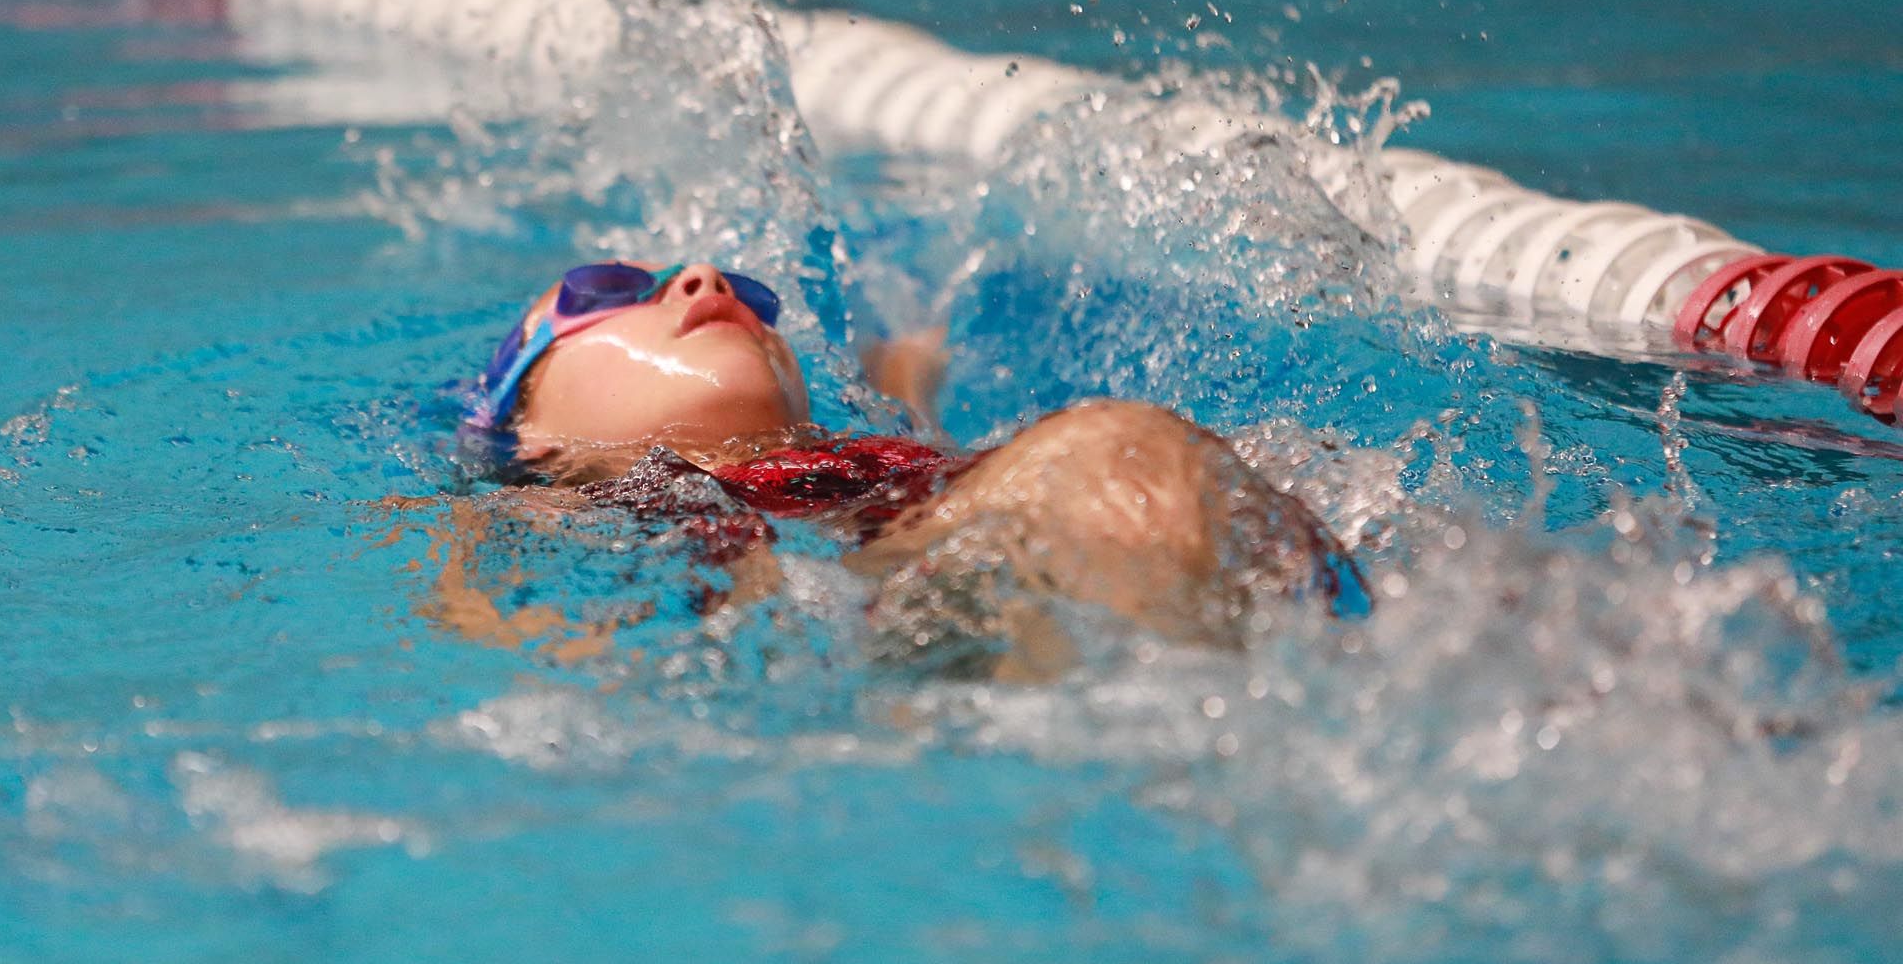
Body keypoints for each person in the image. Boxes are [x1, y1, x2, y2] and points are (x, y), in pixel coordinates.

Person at [436, 258, 1357, 673]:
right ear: (530, 429)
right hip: (868, 620)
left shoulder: (872, 455)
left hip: (960, 564)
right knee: (1114, 445)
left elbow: (909, 402)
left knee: (1142, 453)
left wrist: (910, 356)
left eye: (757, 300)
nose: (703, 279)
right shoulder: (551, 508)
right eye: (606, 291)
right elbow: (485, 625)